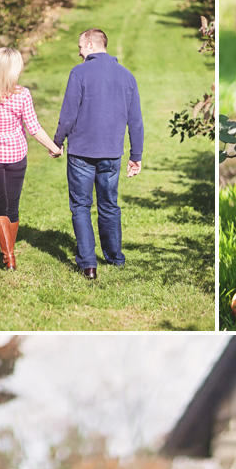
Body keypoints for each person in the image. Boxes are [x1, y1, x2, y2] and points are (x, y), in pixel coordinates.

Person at [52, 23, 144, 278]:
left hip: (81, 152)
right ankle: (115, 258)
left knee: (81, 206)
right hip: (112, 154)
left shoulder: (79, 73)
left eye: (80, 47)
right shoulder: (127, 76)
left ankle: (88, 264)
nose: (79, 53)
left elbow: (68, 114)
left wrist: (58, 141)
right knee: (109, 205)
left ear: (91, 45)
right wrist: (136, 156)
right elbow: (135, 121)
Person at [0, 43, 58, 270]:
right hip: (16, 156)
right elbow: (34, 128)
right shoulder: (22, 94)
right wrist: (53, 147)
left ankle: (8, 257)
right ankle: (9, 254)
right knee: (12, 206)